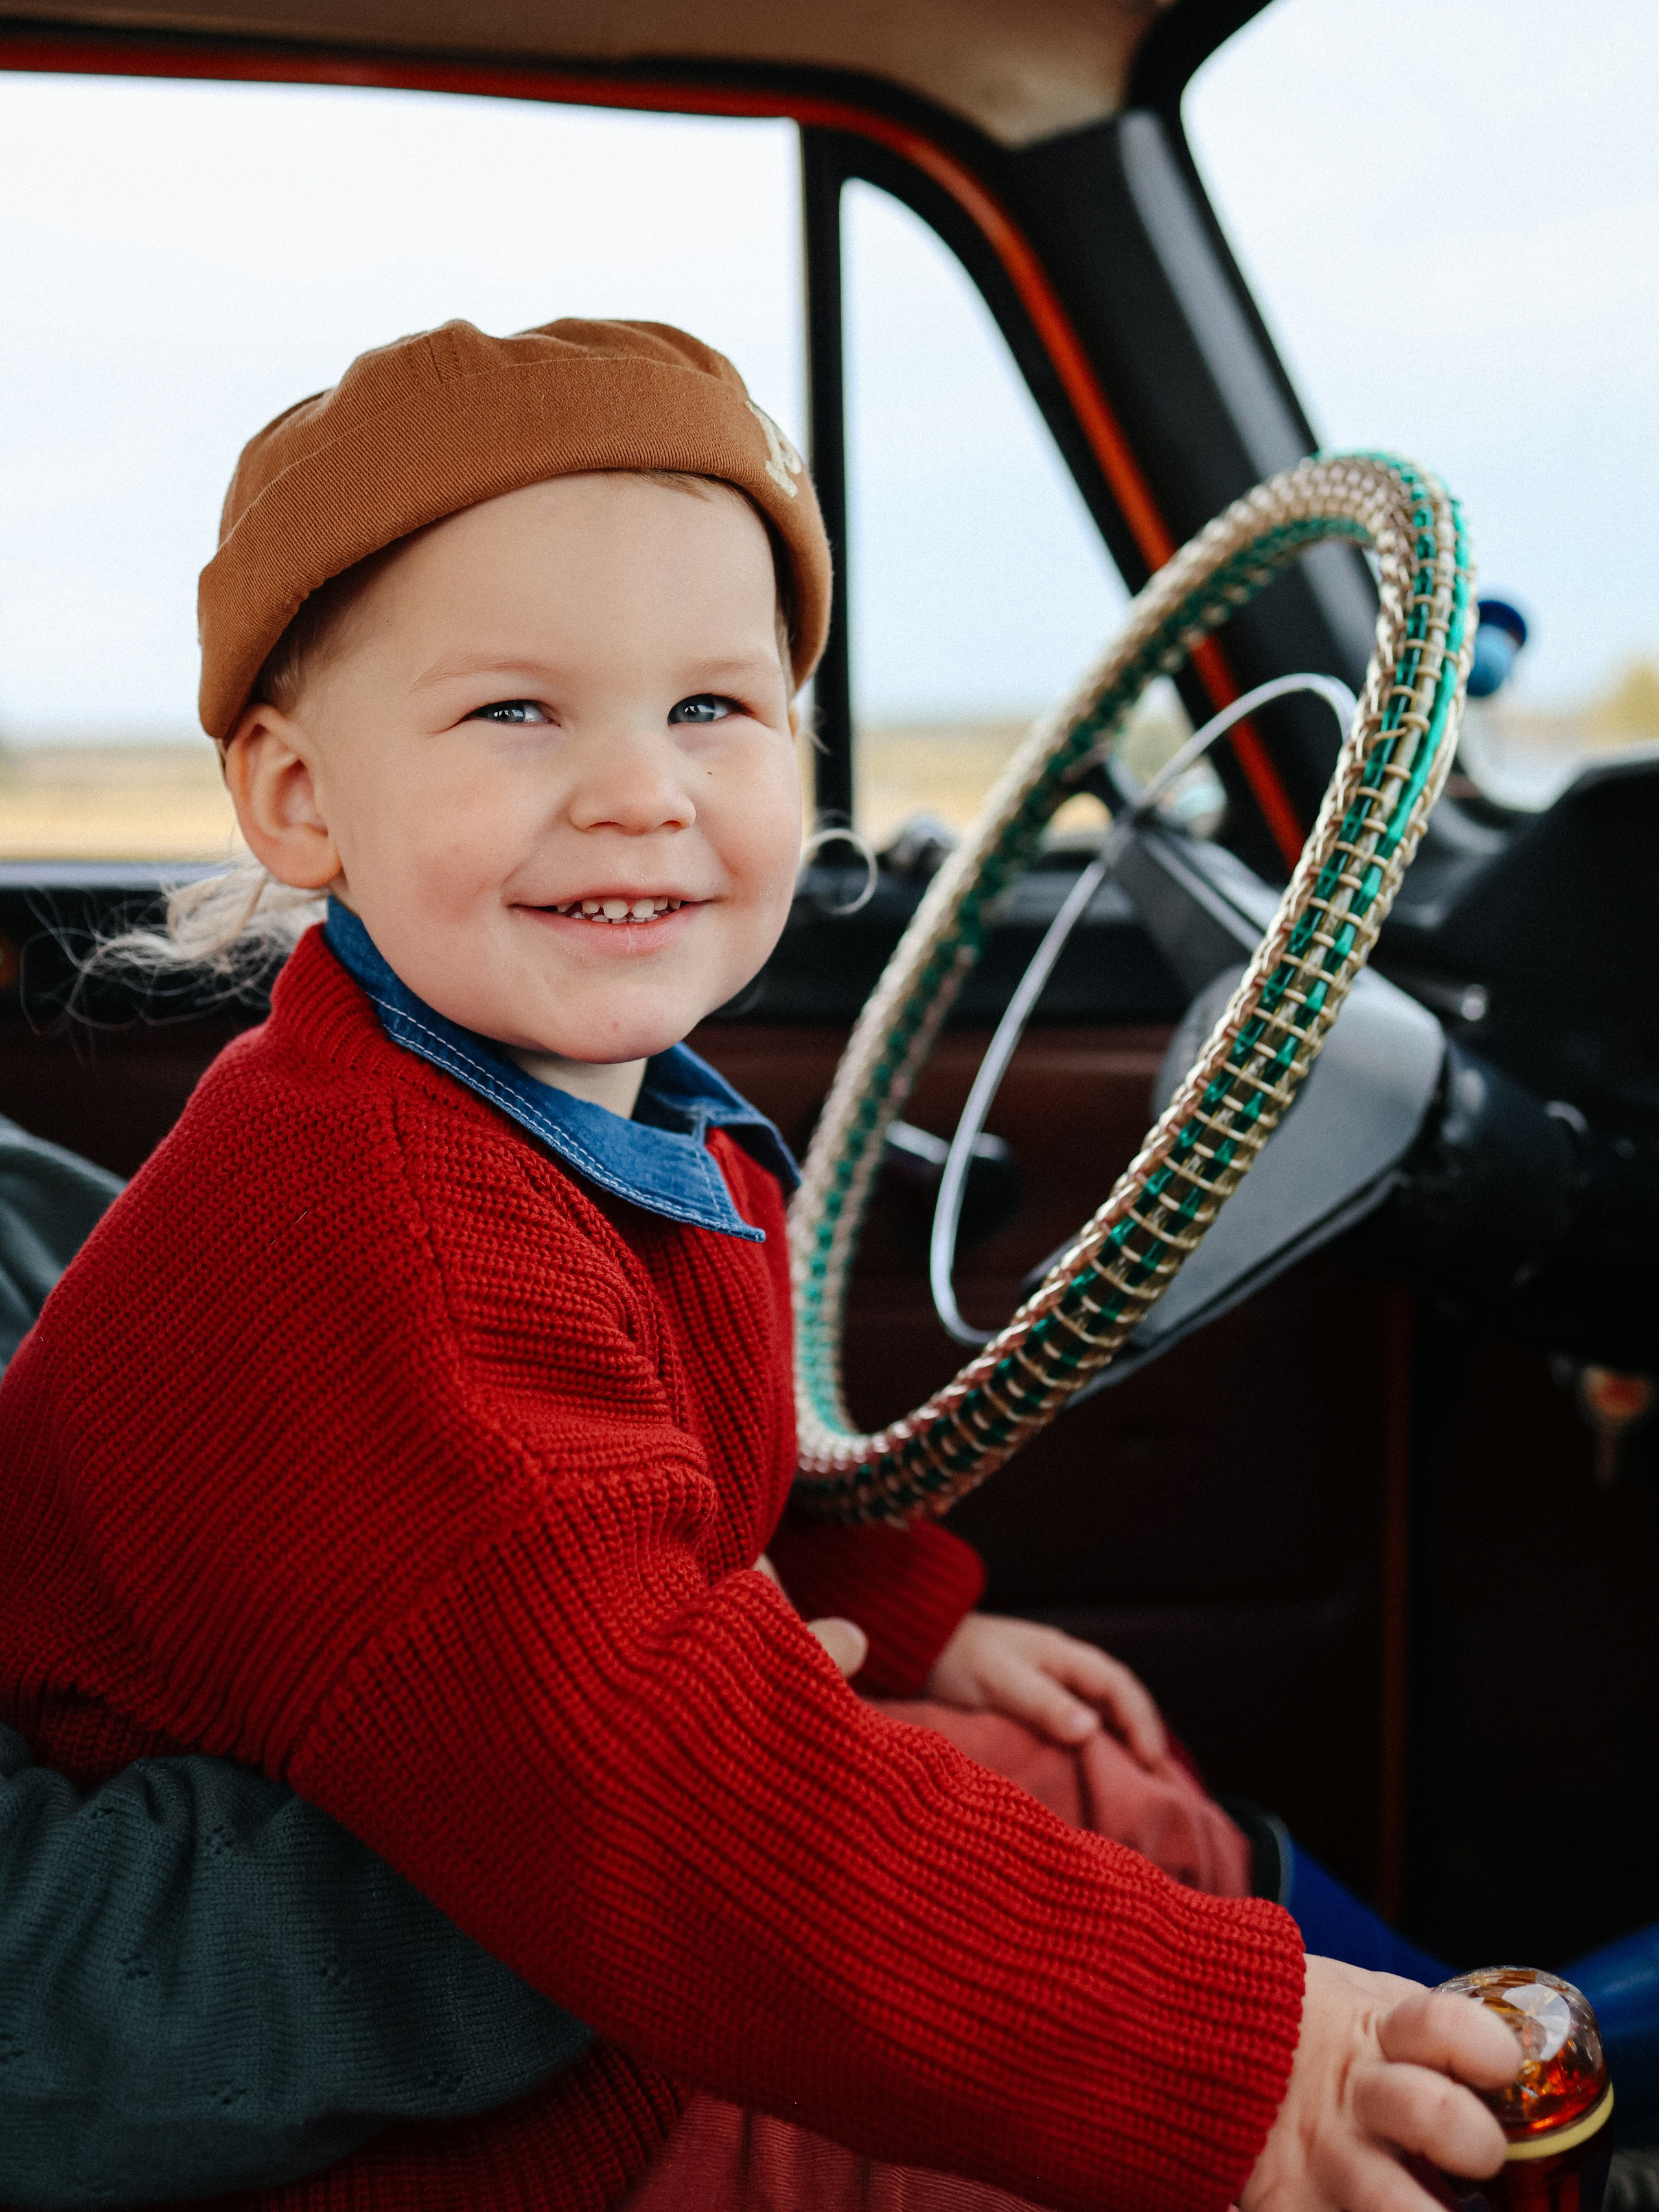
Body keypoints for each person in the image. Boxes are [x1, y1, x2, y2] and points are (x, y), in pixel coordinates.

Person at [0, 316, 1519, 2212]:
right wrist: (1243, 2083)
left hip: (579, 1892)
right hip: (475, 2136)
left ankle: (1476, 2064)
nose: (642, 791)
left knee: (1116, 1789)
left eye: (714, 710)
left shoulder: (584, 1099)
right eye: (515, 713)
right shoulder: (370, 1224)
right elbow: (665, 1797)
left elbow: (671, 1453)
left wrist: (898, 1594)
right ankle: (1432, 2106)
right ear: (300, 798)